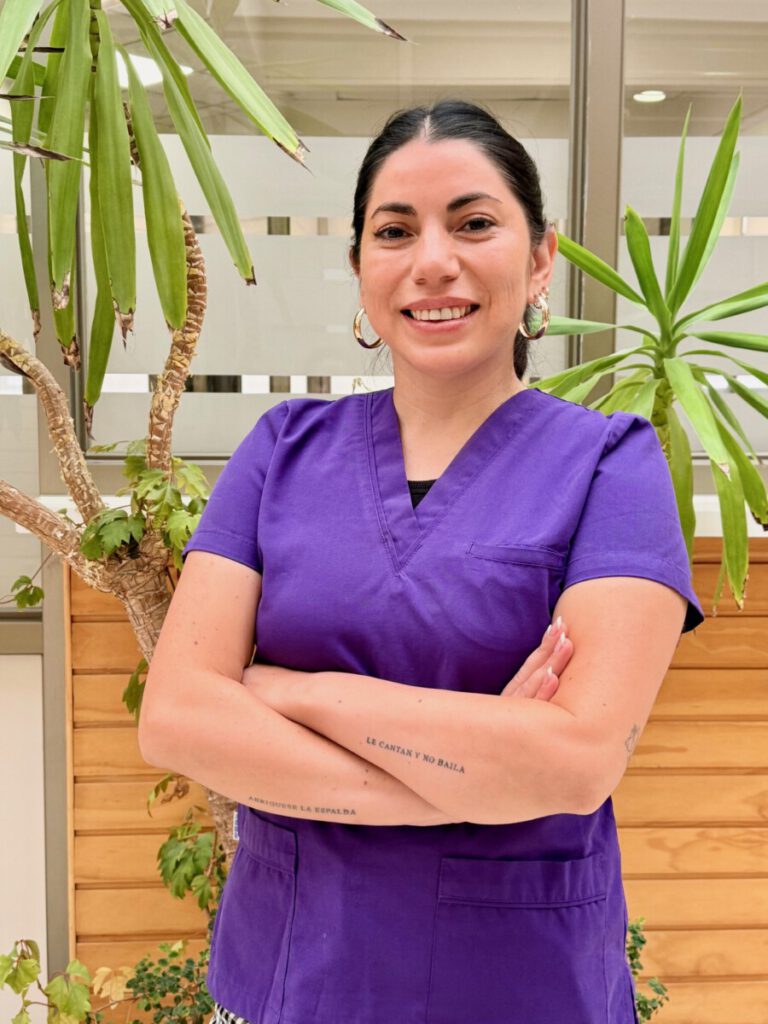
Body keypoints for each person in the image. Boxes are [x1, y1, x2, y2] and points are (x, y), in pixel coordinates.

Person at [139, 99, 705, 1024]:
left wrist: (296, 692)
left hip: (517, 988)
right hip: (292, 977)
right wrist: (459, 782)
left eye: (474, 223)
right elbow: (175, 718)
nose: (432, 260)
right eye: (395, 231)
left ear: (541, 260)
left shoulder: (613, 464)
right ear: (361, 266)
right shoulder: (281, 450)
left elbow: (575, 758)